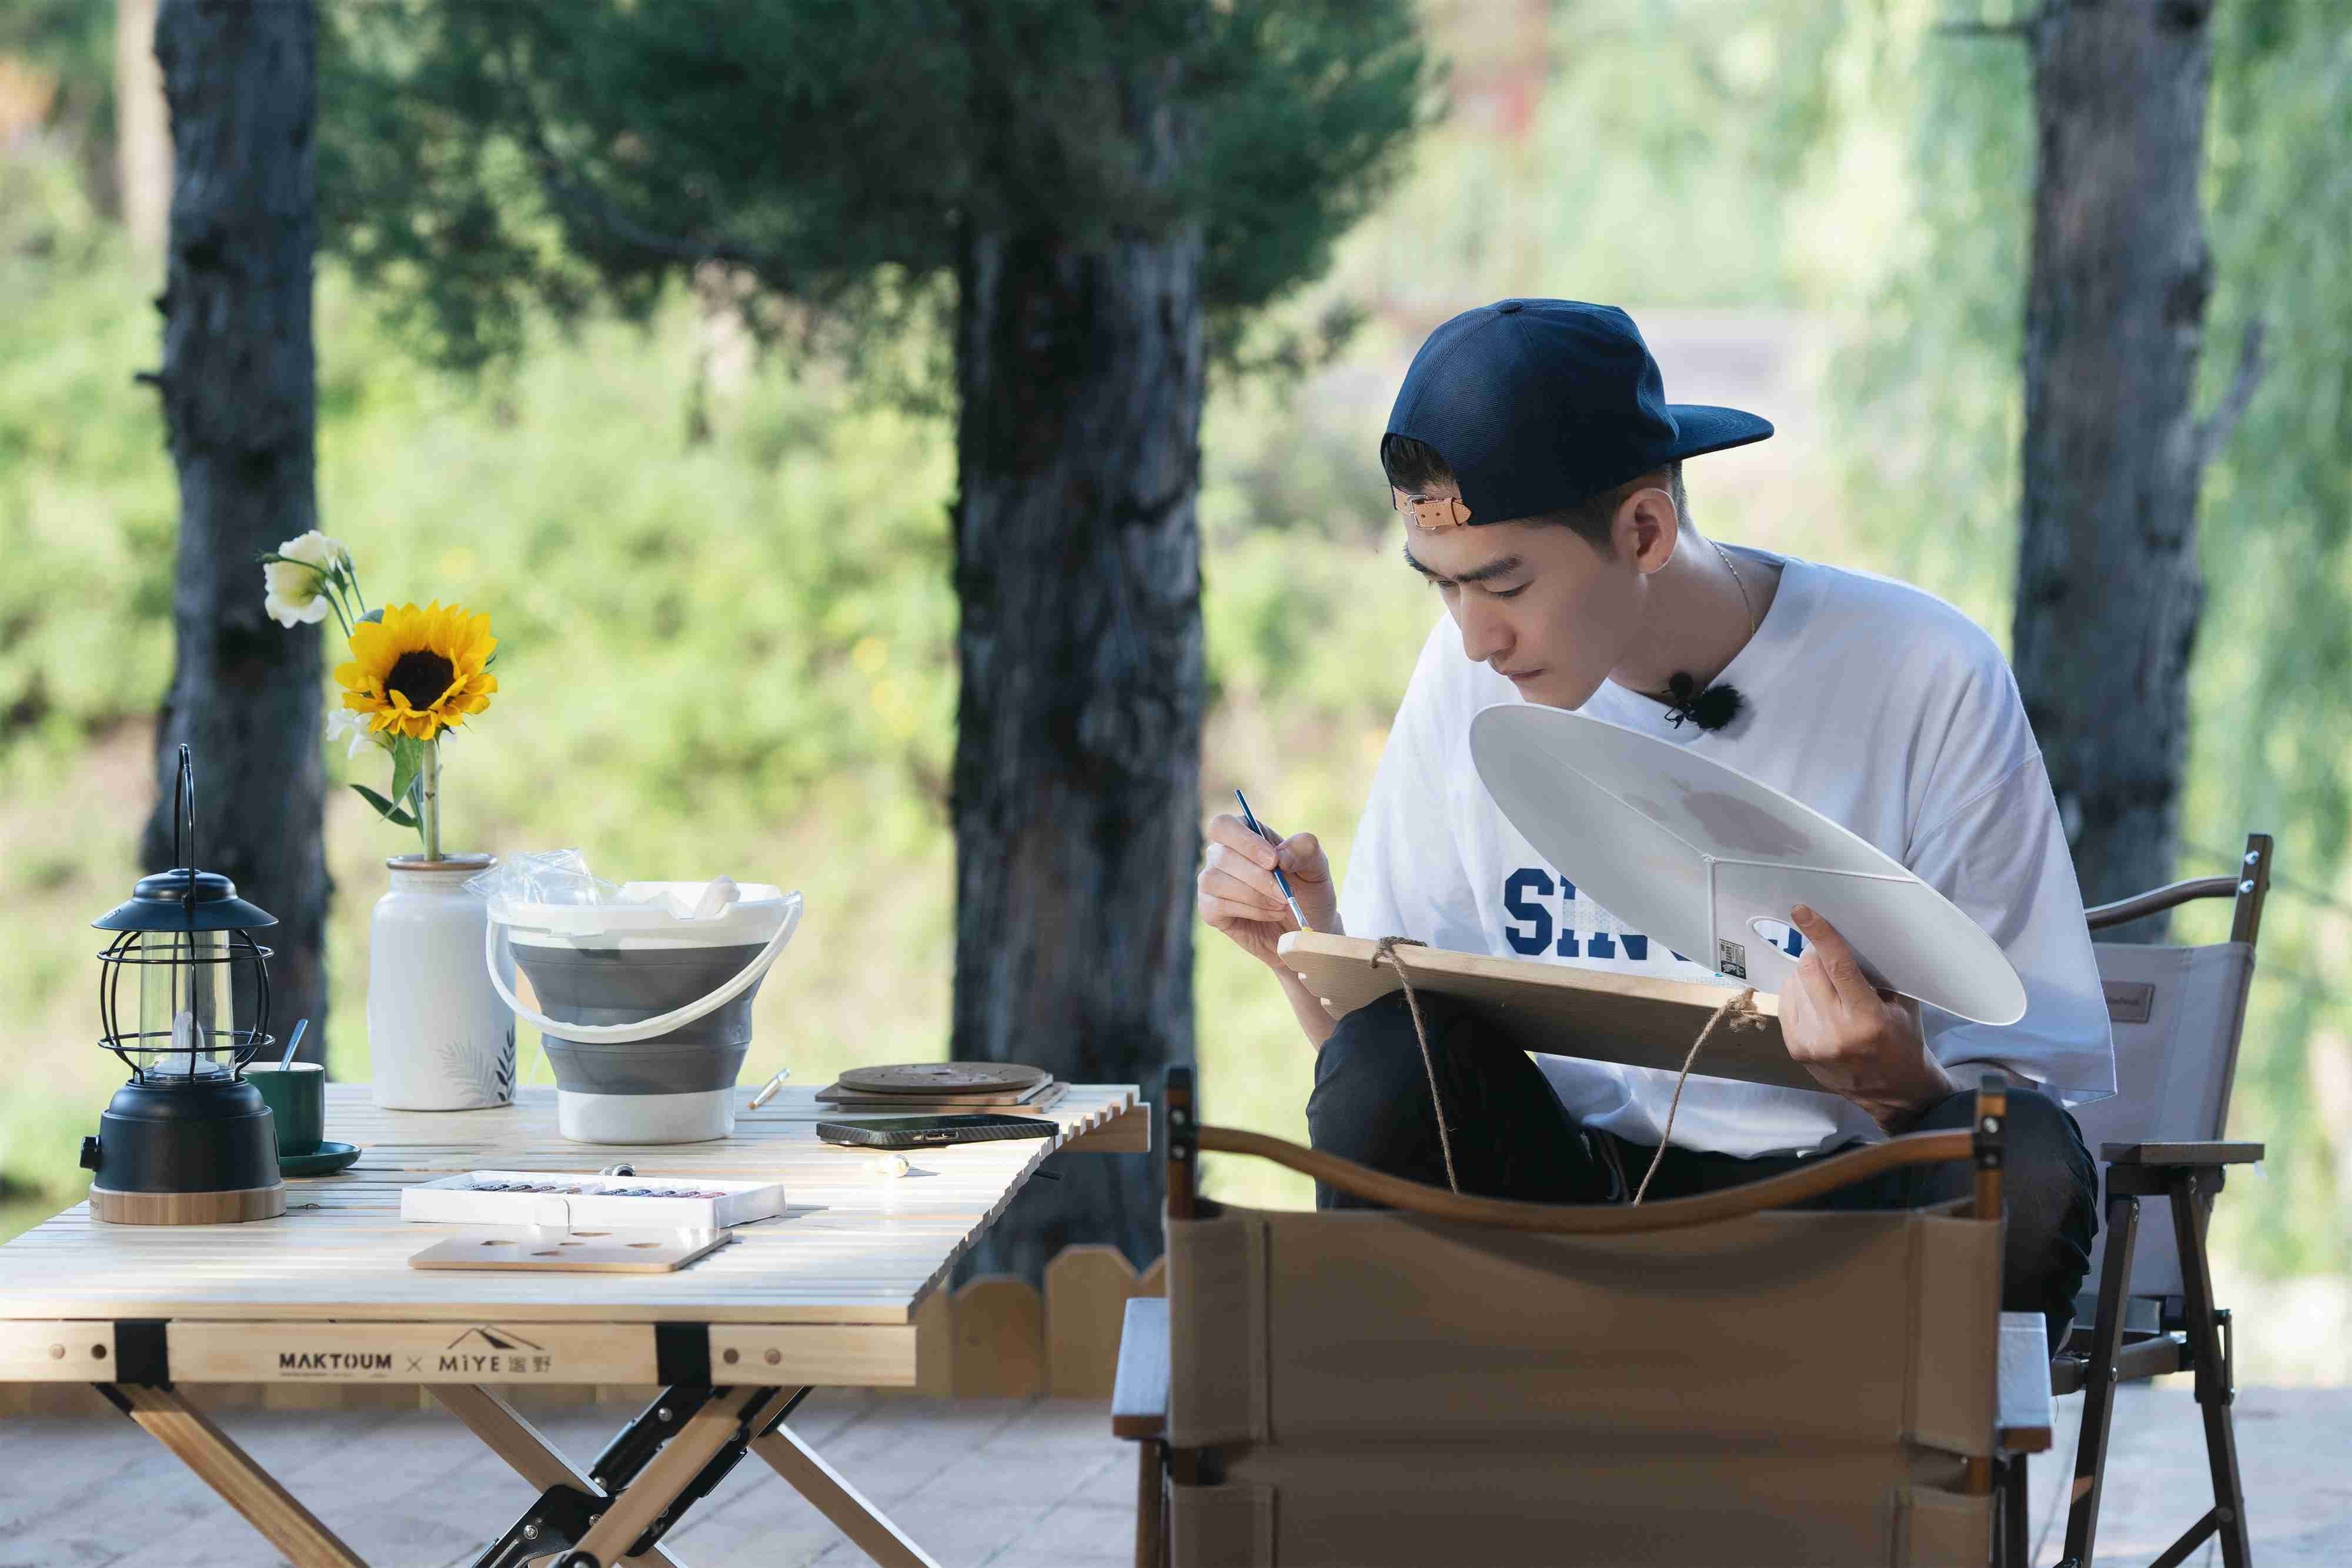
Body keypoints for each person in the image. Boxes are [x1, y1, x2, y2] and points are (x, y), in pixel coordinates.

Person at [1196, 299, 2111, 1345]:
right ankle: (1442, 1475)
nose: (1477, 637)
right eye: (1443, 590)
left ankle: (1851, 1468)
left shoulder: (1922, 674)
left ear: (1644, 529)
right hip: (1571, 1211)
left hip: (1842, 1212)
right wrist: (1303, 959)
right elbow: (1384, 1096)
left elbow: (2030, 1091)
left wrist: (1894, 1081)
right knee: (1379, 1065)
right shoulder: (1461, 683)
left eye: (1504, 584)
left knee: (2027, 1168)